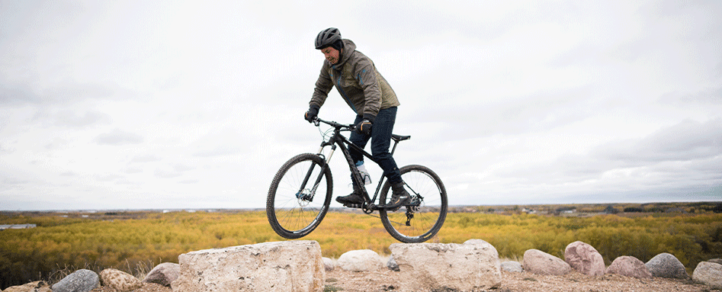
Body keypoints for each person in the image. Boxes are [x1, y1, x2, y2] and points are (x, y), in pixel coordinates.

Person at [304, 27, 410, 209]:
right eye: (323, 53)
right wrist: (313, 108)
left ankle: (401, 192)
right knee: (353, 149)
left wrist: (368, 118)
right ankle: (359, 193)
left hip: (384, 105)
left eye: (328, 51)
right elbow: (321, 88)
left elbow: (372, 90)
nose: (326, 56)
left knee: (379, 150)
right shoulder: (329, 66)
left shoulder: (359, 62)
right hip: (364, 110)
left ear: (339, 46)